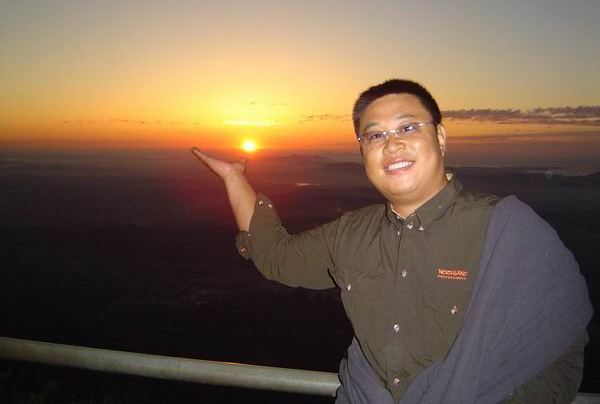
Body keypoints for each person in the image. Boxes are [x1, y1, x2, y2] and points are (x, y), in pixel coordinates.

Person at [192, 79, 592, 403]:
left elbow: (557, 352)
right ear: (363, 152)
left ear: (440, 137)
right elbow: (276, 256)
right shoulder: (350, 233)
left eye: (408, 127)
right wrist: (234, 178)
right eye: (375, 135)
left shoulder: (508, 230)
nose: (391, 143)